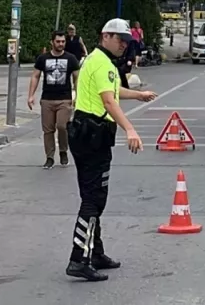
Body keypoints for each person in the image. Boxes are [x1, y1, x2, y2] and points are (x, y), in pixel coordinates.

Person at [65, 18, 158, 281]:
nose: (124, 46)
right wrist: (130, 128)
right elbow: (108, 101)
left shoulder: (95, 60)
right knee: (94, 199)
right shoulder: (103, 63)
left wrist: (138, 95)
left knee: (92, 196)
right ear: (105, 36)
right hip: (93, 135)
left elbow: (112, 91)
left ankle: (94, 252)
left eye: (127, 42)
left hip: (85, 133)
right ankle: (78, 258)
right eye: (120, 40)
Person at [27, 31, 81, 169]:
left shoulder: (71, 59)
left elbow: (77, 77)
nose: (61, 44)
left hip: (65, 99)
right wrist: (31, 95)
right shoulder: (43, 58)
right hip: (47, 99)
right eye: (58, 41)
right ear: (52, 42)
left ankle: (63, 151)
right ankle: (49, 157)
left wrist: (78, 94)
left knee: (62, 126)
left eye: (63, 41)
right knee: (48, 130)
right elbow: (35, 76)